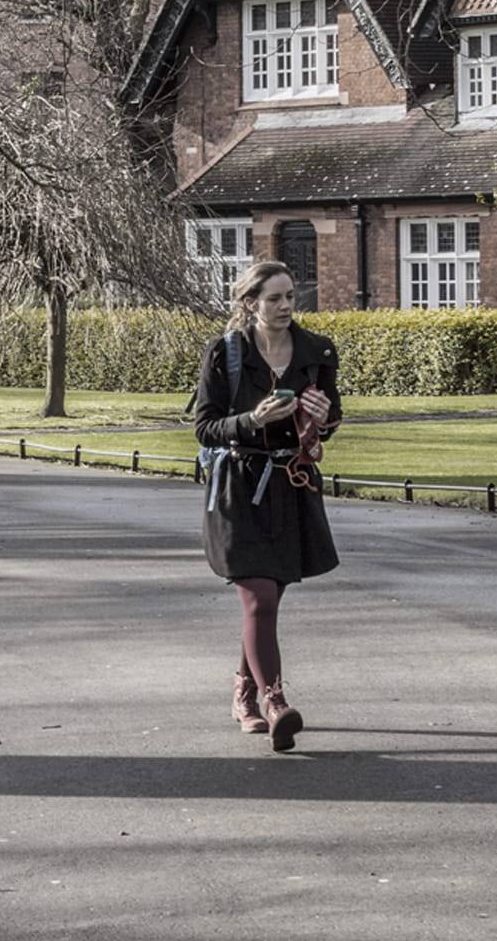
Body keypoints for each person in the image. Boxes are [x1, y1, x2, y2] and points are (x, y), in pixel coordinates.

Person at [192, 259, 341, 751]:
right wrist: (251, 419)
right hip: (237, 486)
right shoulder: (226, 354)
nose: (284, 306)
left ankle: (242, 693)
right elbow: (206, 428)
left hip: (290, 487)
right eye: (273, 298)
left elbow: (332, 418)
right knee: (259, 597)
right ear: (250, 303)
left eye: (290, 297)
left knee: (267, 601)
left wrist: (323, 418)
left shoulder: (317, 351)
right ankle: (276, 703)